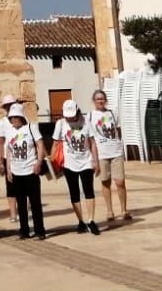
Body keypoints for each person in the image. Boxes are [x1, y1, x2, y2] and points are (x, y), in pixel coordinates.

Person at [52, 100, 102, 235]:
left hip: (86, 161)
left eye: (72, 115)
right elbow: (56, 143)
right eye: (68, 116)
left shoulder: (86, 122)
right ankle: (80, 221)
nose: (70, 118)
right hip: (69, 163)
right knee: (74, 192)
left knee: (88, 190)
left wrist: (96, 161)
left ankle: (91, 220)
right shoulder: (61, 124)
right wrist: (53, 164)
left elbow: (92, 143)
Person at [0, 102, 46, 239]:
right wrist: (8, 169)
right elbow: (8, 150)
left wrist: (39, 162)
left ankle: (39, 231)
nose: (14, 120)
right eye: (11, 117)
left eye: (16, 117)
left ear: (22, 117)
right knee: (21, 204)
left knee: (35, 203)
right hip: (16, 171)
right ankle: (24, 230)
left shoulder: (31, 128)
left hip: (31, 171)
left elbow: (40, 145)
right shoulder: (10, 132)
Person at [90, 88, 131, 224]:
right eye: (97, 99)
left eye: (102, 98)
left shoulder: (112, 113)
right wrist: (93, 157)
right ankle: (109, 211)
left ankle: (124, 210)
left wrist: (120, 145)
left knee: (120, 181)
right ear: (94, 101)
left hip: (116, 152)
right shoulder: (90, 116)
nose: (100, 101)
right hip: (102, 153)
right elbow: (90, 138)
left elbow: (118, 130)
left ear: (105, 100)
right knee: (105, 182)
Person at [0, 94, 19, 223]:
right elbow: (0, 142)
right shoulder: (2, 122)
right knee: (10, 186)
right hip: (8, 157)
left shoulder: (23, 118)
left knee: (22, 185)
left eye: (11, 104)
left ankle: (22, 210)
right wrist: (0, 161)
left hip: (23, 156)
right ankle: (13, 213)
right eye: (7, 106)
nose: (10, 107)